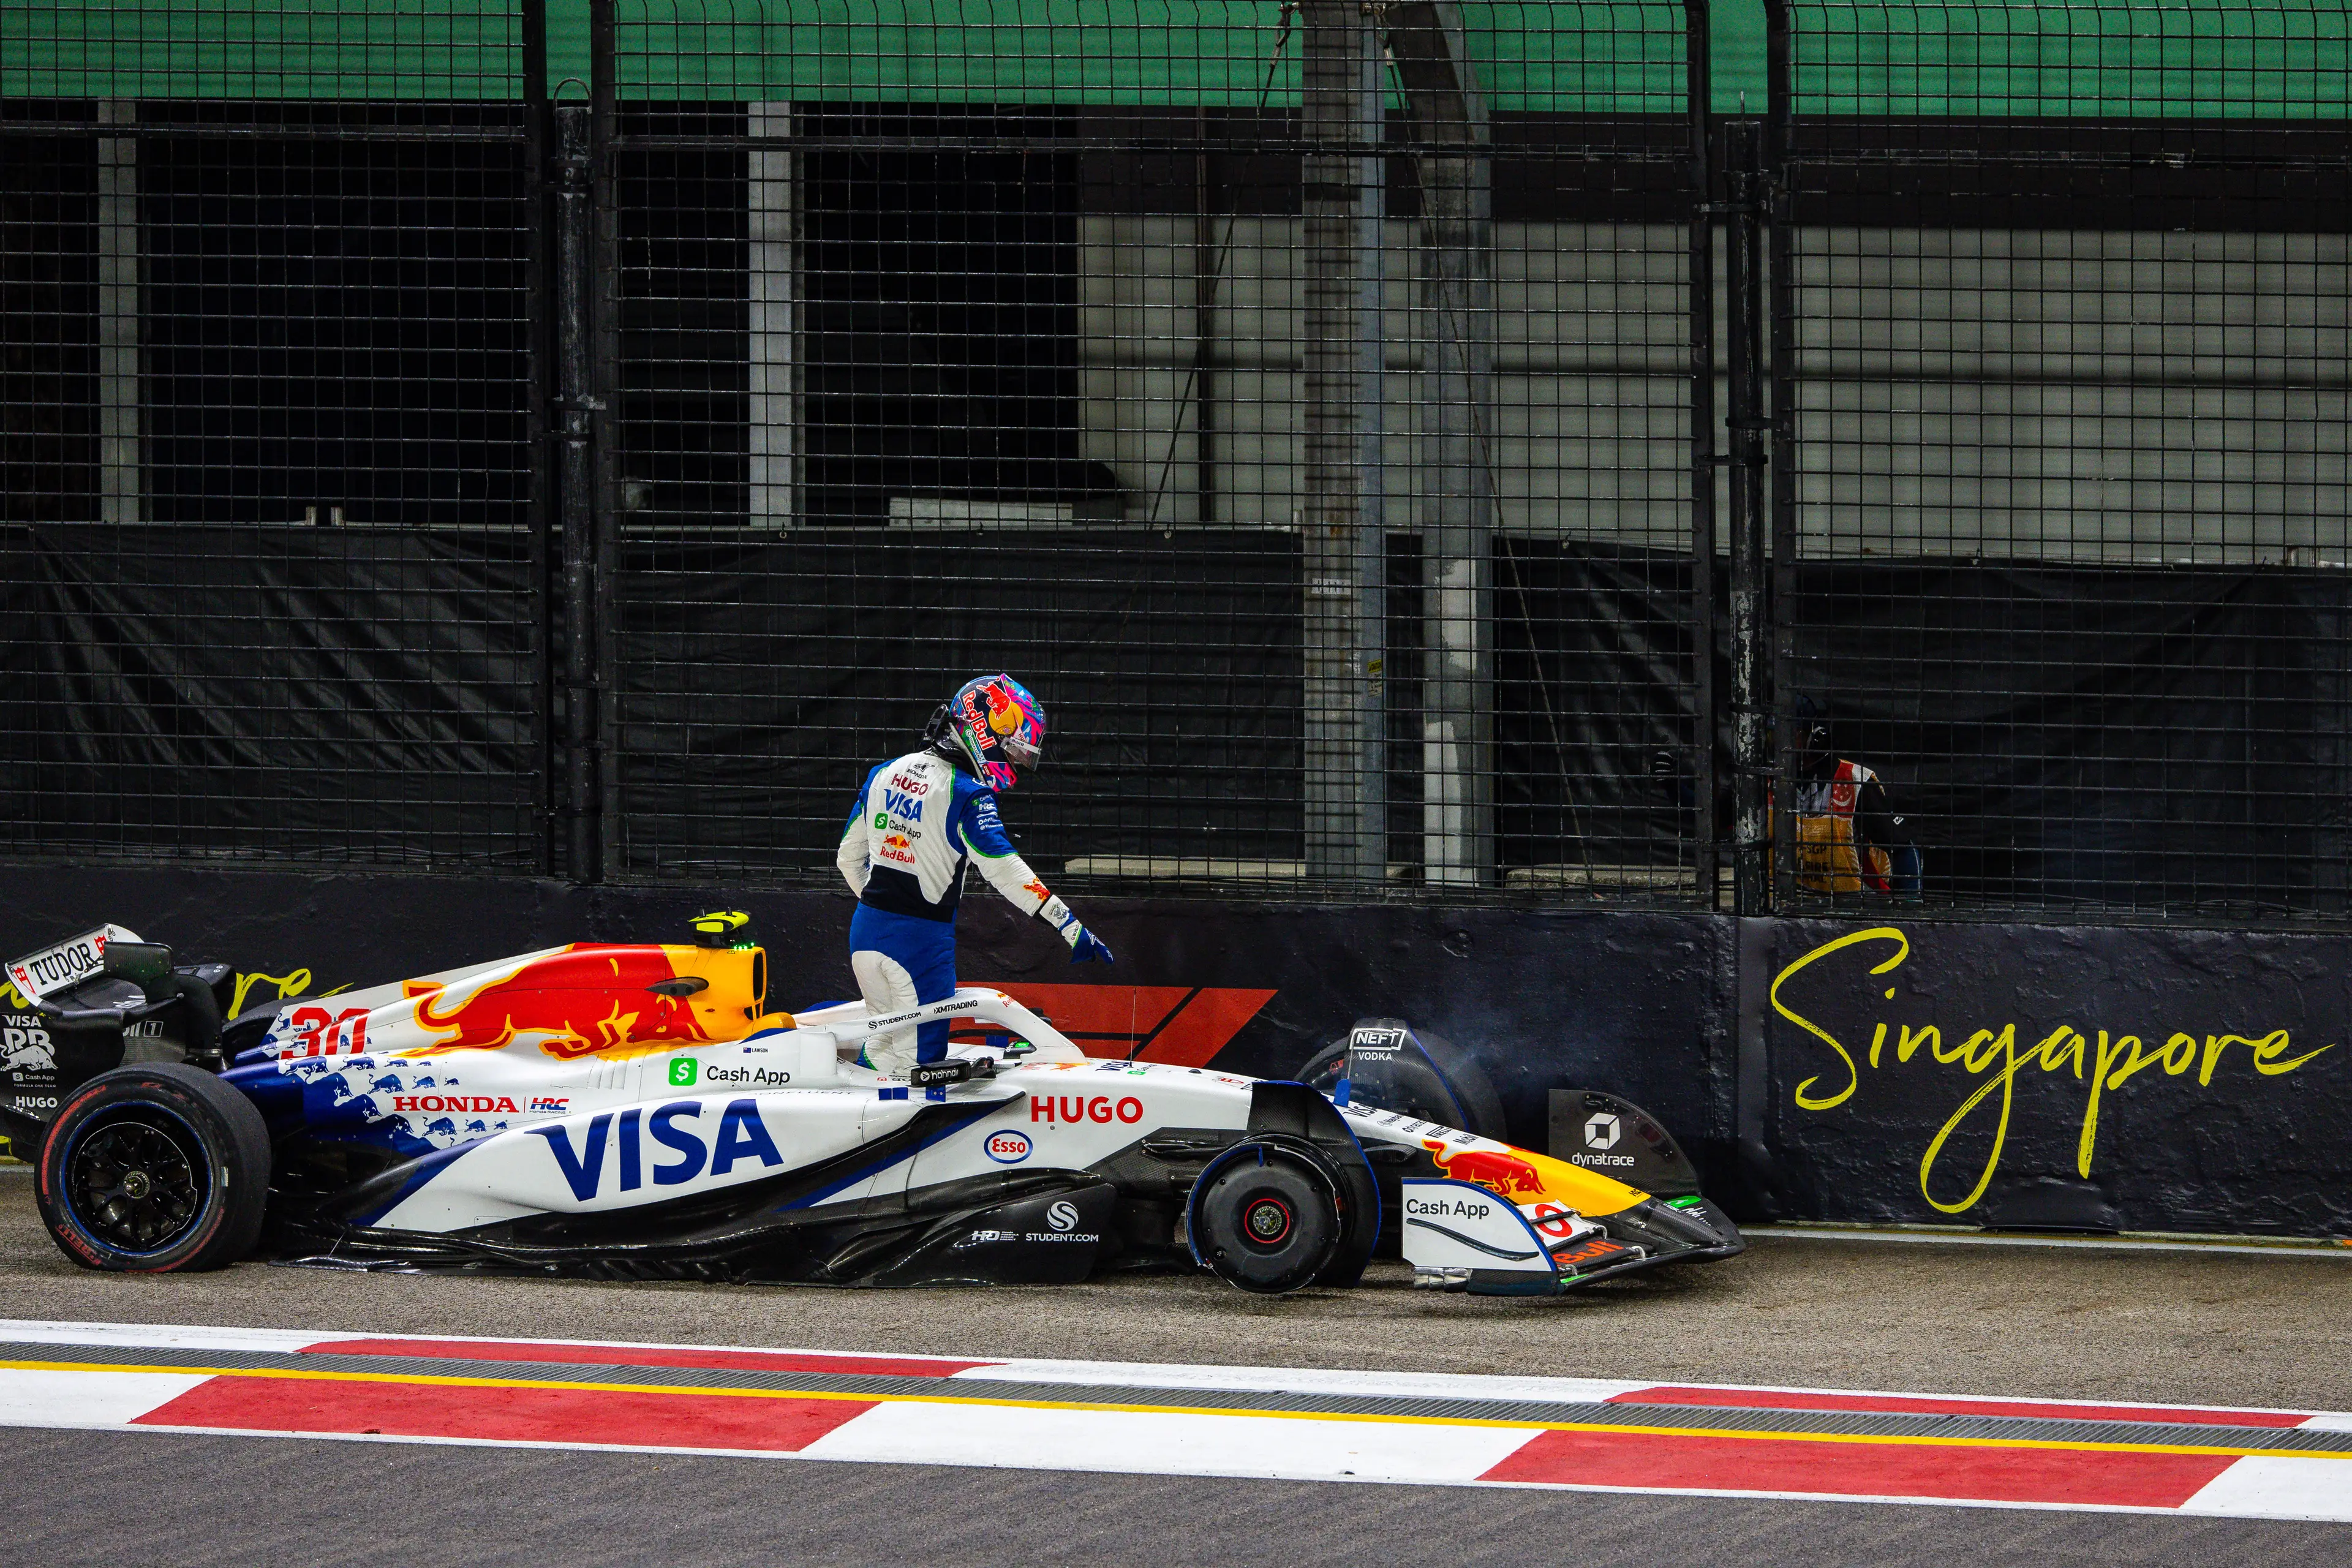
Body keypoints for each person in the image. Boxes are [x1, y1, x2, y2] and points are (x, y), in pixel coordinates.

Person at [835, 674, 1112, 1076]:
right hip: (919, 948)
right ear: (985, 731)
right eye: (1014, 750)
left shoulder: (884, 772)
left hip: (865, 935)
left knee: (886, 1048)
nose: (1016, 762)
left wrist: (882, 912)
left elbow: (847, 858)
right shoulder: (967, 794)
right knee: (918, 1067)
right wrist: (1070, 927)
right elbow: (1006, 873)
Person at [1788, 709, 1920, 897]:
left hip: (1851, 906)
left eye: (1788, 735)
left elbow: (1902, 848)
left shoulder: (1855, 781)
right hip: (1790, 904)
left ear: (1816, 738)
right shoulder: (1769, 781)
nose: (1777, 742)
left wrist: (1910, 905)